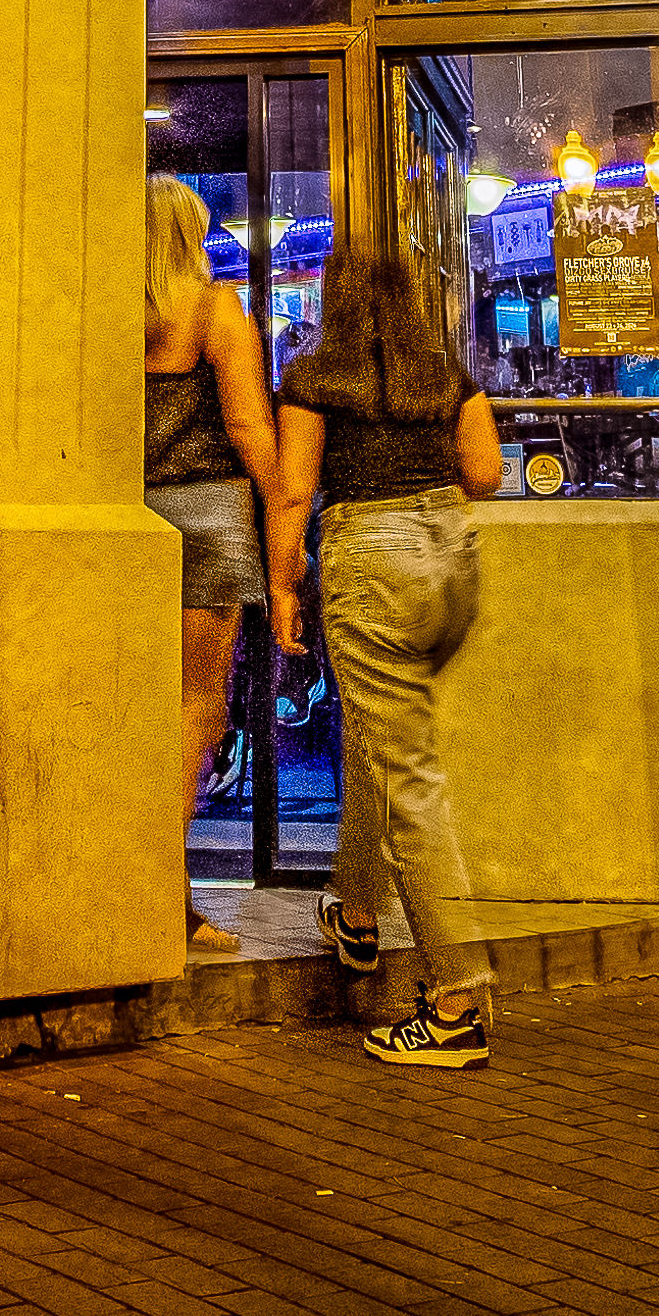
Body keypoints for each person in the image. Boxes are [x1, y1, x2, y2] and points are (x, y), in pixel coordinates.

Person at [269, 190, 504, 1068]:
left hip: (371, 559)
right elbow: (483, 472)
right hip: (451, 564)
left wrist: (285, 581)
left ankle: (455, 999)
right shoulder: (446, 375)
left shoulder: (313, 376)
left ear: (331, 298)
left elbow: (294, 490)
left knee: (409, 775)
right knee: (382, 734)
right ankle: (356, 909)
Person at [142, 176, 285, 958]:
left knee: (131, 707)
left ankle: (155, 884)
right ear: (191, 233)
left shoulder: (110, 315)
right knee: (197, 704)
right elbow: (246, 424)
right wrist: (285, 519)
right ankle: (166, 888)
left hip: (128, 520)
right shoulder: (212, 308)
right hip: (208, 519)